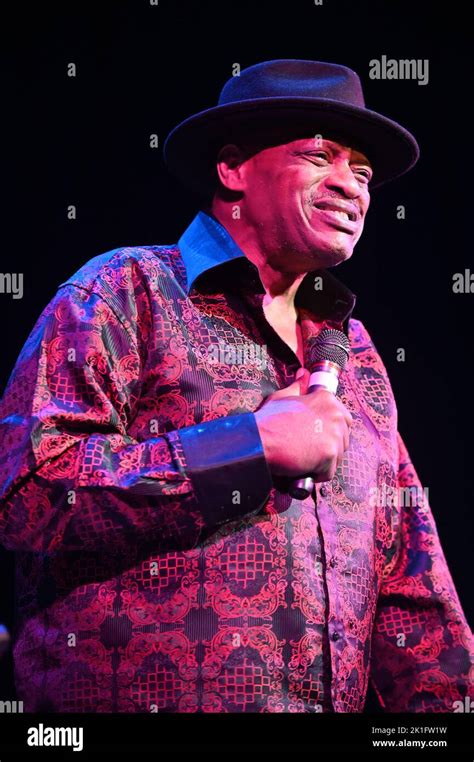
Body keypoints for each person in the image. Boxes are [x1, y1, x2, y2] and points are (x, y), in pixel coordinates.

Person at [0, 60, 472, 713]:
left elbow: (412, 592)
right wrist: (247, 451)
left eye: (362, 173)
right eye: (320, 157)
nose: (352, 186)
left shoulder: (357, 356)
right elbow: (29, 496)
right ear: (233, 170)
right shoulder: (124, 292)